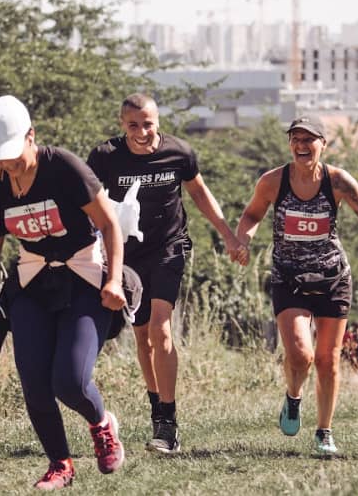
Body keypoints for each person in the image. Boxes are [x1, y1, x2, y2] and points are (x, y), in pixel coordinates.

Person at [0, 95, 126, 490]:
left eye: (12, 155)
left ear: (32, 136)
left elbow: (110, 224)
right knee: (33, 379)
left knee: (70, 381)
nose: (6, 165)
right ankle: (60, 463)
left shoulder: (63, 167)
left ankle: (102, 424)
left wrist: (114, 281)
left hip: (84, 276)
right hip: (32, 282)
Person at [233, 115, 358, 455]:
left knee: (328, 360)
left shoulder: (337, 181)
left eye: (309, 139)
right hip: (289, 279)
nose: (302, 145)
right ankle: (293, 397)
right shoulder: (273, 181)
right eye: (295, 139)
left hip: (333, 279)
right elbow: (251, 215)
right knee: (300, 355)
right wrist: (243, 240)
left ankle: (324, 432)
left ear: (323, 144)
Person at [86, 93, 245, 454]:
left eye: (148, 124)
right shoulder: (105, 157)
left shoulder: (179, 153)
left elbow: (200, 194)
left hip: (169, 247)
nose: (142, 132)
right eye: (133, 125)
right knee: (142, 336)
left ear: (158, 122)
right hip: (125, 252)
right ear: (122, 125)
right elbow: (87, 202)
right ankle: (157, 410)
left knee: (161, 327)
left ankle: (169, 423)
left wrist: (229, 235)